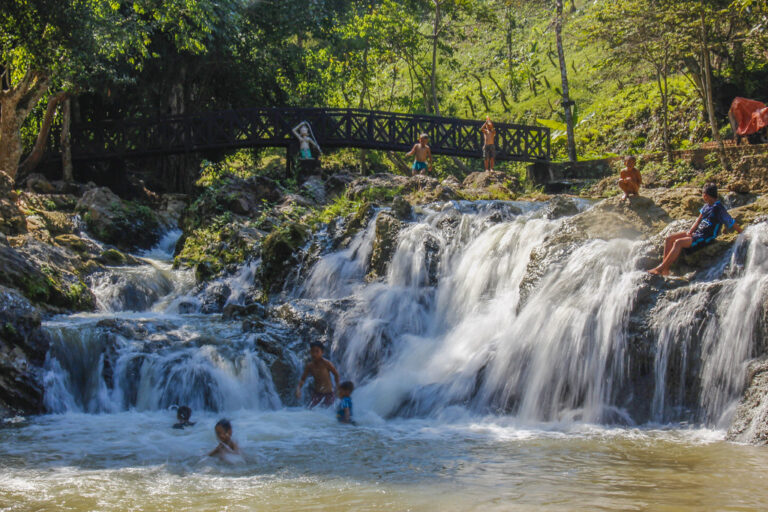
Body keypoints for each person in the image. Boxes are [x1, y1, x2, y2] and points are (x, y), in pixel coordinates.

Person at [649, 183, 743, 276]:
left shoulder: (719, 209)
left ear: (705, 195)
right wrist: (690, 232)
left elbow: (731, 222)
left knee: (678, 242)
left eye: (702, 194)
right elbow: (698, 221)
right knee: (669, 238)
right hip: (697, 233)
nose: (702, 196)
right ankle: (665, 270)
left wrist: (742, 232)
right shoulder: (706, 206)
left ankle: (660, 268)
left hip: (706, 237)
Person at [295, 342, 341, 408]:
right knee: (311, 411)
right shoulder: (310, 366)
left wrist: (337, 387)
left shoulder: (327, 363)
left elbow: (336, 374)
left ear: (322, 352)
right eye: (312, 351)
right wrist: (298, 389)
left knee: (329, 412)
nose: (314, 354)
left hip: (329, 393)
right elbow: (303, 379)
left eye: (317, 351)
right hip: (317, 394)